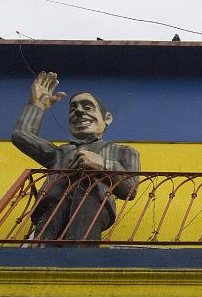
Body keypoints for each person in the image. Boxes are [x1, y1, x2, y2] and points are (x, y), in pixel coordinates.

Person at [11, 71, 140, 244]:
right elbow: (21, 135)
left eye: (87, 107)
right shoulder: (60, 152)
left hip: (93, 208)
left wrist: (103, 164)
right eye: (73, 109)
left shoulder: (124, 151)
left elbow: (129, 190)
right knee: (39, 253)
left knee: (81, 252)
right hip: (50, 208)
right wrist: (37, 106)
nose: (78, 111)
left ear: (107, 118)